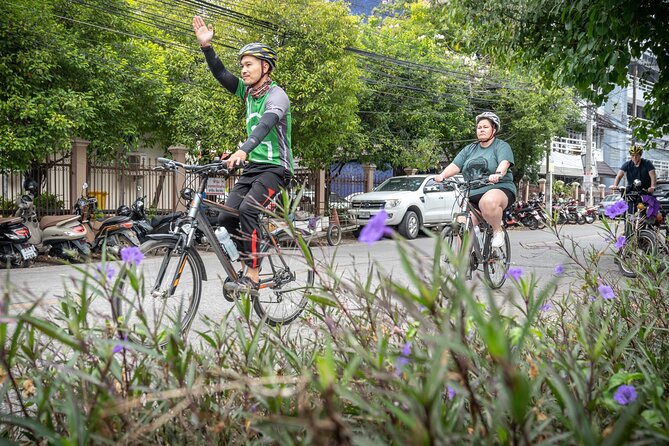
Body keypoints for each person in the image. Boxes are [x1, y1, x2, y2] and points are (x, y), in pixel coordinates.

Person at [192, 16, 294, 295]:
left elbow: (265, 126)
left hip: (275, 169)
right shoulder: (248, 93)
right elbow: (222, 74)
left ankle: (253, 274)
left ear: (265, 66)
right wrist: (206, 47)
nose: (244, 70)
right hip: (252, 169)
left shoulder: (277, 96)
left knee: (249, 210)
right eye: (242, 65)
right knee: (225, 217)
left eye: (249, 64)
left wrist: (243, 150)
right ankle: (244, 262)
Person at [434, 112, 516, 248]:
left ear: (493, 130)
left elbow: (504, 163)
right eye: (479, 127)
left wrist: (498, 173)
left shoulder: (501, 146)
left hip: (498, 188)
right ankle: (462, 263)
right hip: (472, 193)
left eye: (485, 127)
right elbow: (455, 165)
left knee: (487, 202)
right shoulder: (470, 149)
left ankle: (497, 231)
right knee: (462, 224)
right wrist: (442, 175)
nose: (481, 129)